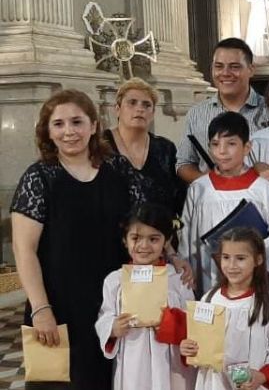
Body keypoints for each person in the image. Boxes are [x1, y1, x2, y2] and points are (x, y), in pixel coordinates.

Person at [11, 89, 146, 389]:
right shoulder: (39, 178)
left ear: (94, 124)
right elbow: (24, 250)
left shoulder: (118, 169)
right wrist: (41, 308)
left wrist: (172, 257)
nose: (69, 131)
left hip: (113, 301)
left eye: (77, 121)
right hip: (60, 304)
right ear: (48, 131)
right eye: (58, 124)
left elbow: (145, 226)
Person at [180, 111, 269, 294]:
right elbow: (187, 238)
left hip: (252, 277)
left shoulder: (263, 189)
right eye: (215, 145)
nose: (222, 151)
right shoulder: (199, 188)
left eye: (231, 144)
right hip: (208, 275)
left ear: (247, 147)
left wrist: (249, 255)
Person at [95, 203, 196, 390]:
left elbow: (193, 320)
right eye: (136, 238)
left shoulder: (177, 279)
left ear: (167, 241)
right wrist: (112, 328)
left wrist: (169, 324)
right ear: (125, 240)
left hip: (169, 359)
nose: (144, 246)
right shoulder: (115, 281)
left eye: (153, 239)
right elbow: (105, 315)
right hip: (132, 356)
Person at [180, 227, 269, 390]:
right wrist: (188, 347)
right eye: (226, 257)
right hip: (214, 383)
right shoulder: (209, 300)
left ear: (258, 260)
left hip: (253, 384)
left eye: (240, 258)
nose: (231, 265)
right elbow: (198, 342)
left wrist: (263, 375)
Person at [176, 38, 269, 184]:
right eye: (219, 66)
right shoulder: (196, 113)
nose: (225, 73)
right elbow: (183, 163)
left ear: (251, 70)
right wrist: (211, 183)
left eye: (234, 67)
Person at [104, 77, 186, 217]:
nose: (140, 109)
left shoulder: (165, 149)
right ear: (117, 109)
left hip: (156, 234)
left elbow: (179, 199)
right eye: (132, 103)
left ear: (153, 113)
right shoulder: (100, 145)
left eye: (146, 105)